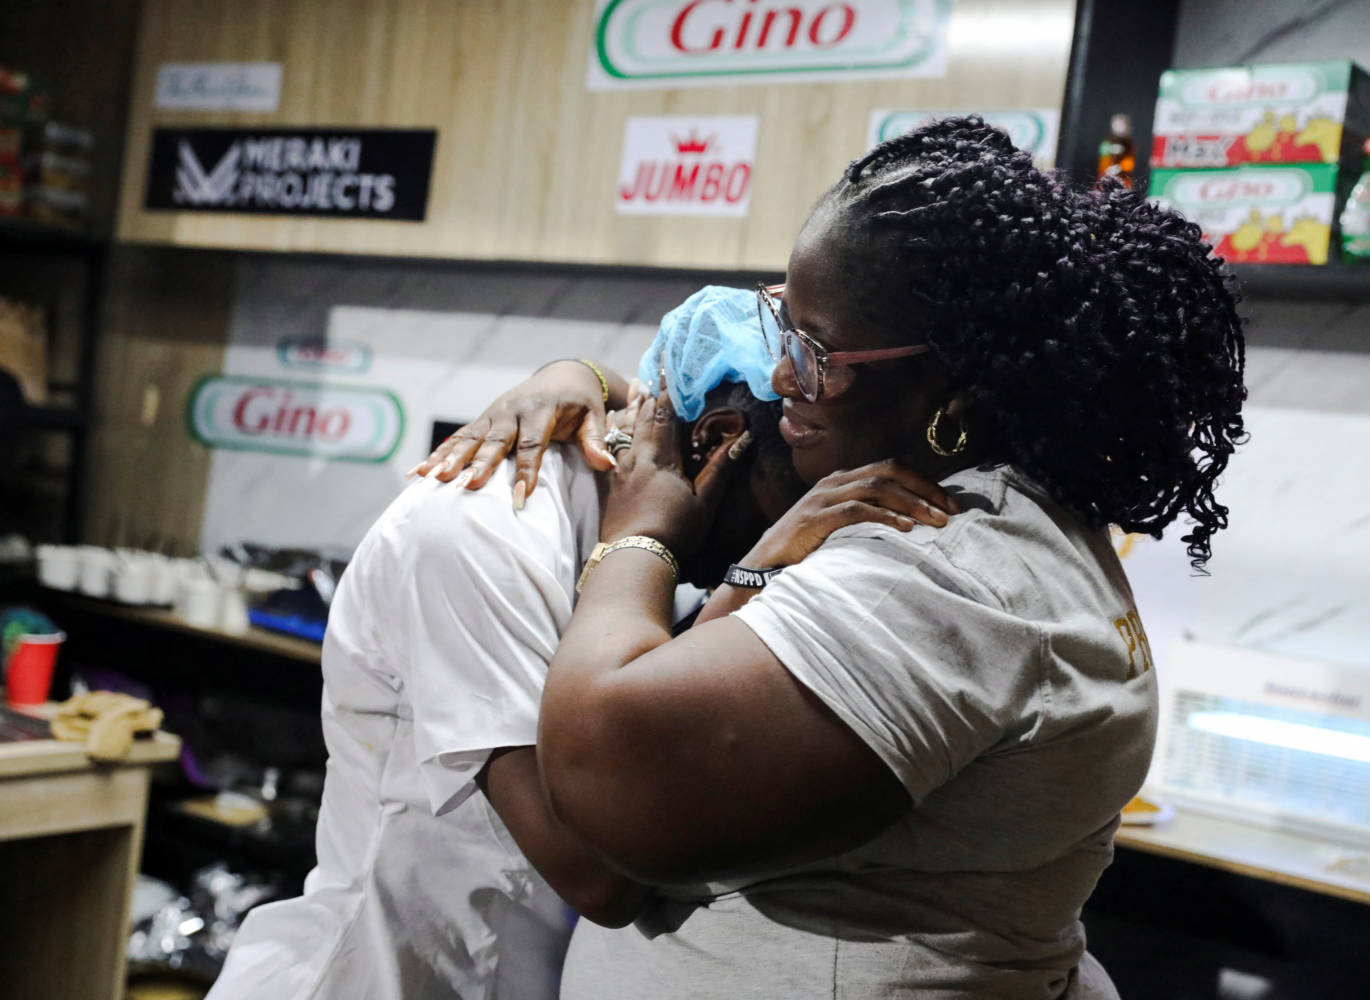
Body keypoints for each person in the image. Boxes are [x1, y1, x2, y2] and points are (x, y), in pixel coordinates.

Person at [437, 116, 1247, 998]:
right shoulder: (994, 511)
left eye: (817, 353)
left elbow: (604, 774)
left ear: (954, 393)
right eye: (783, 321)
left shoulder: (943, 571)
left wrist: (641, 537)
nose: (785, 376)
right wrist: (581, 376)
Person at [207, 291, 954, 1000]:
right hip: (377, 975)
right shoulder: (477, 533)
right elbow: (601, 876)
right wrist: (744, 567)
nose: (803, 538)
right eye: (794, 496)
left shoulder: (657, 487)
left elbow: (642, 397)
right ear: (721, 442)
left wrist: (578, 373)